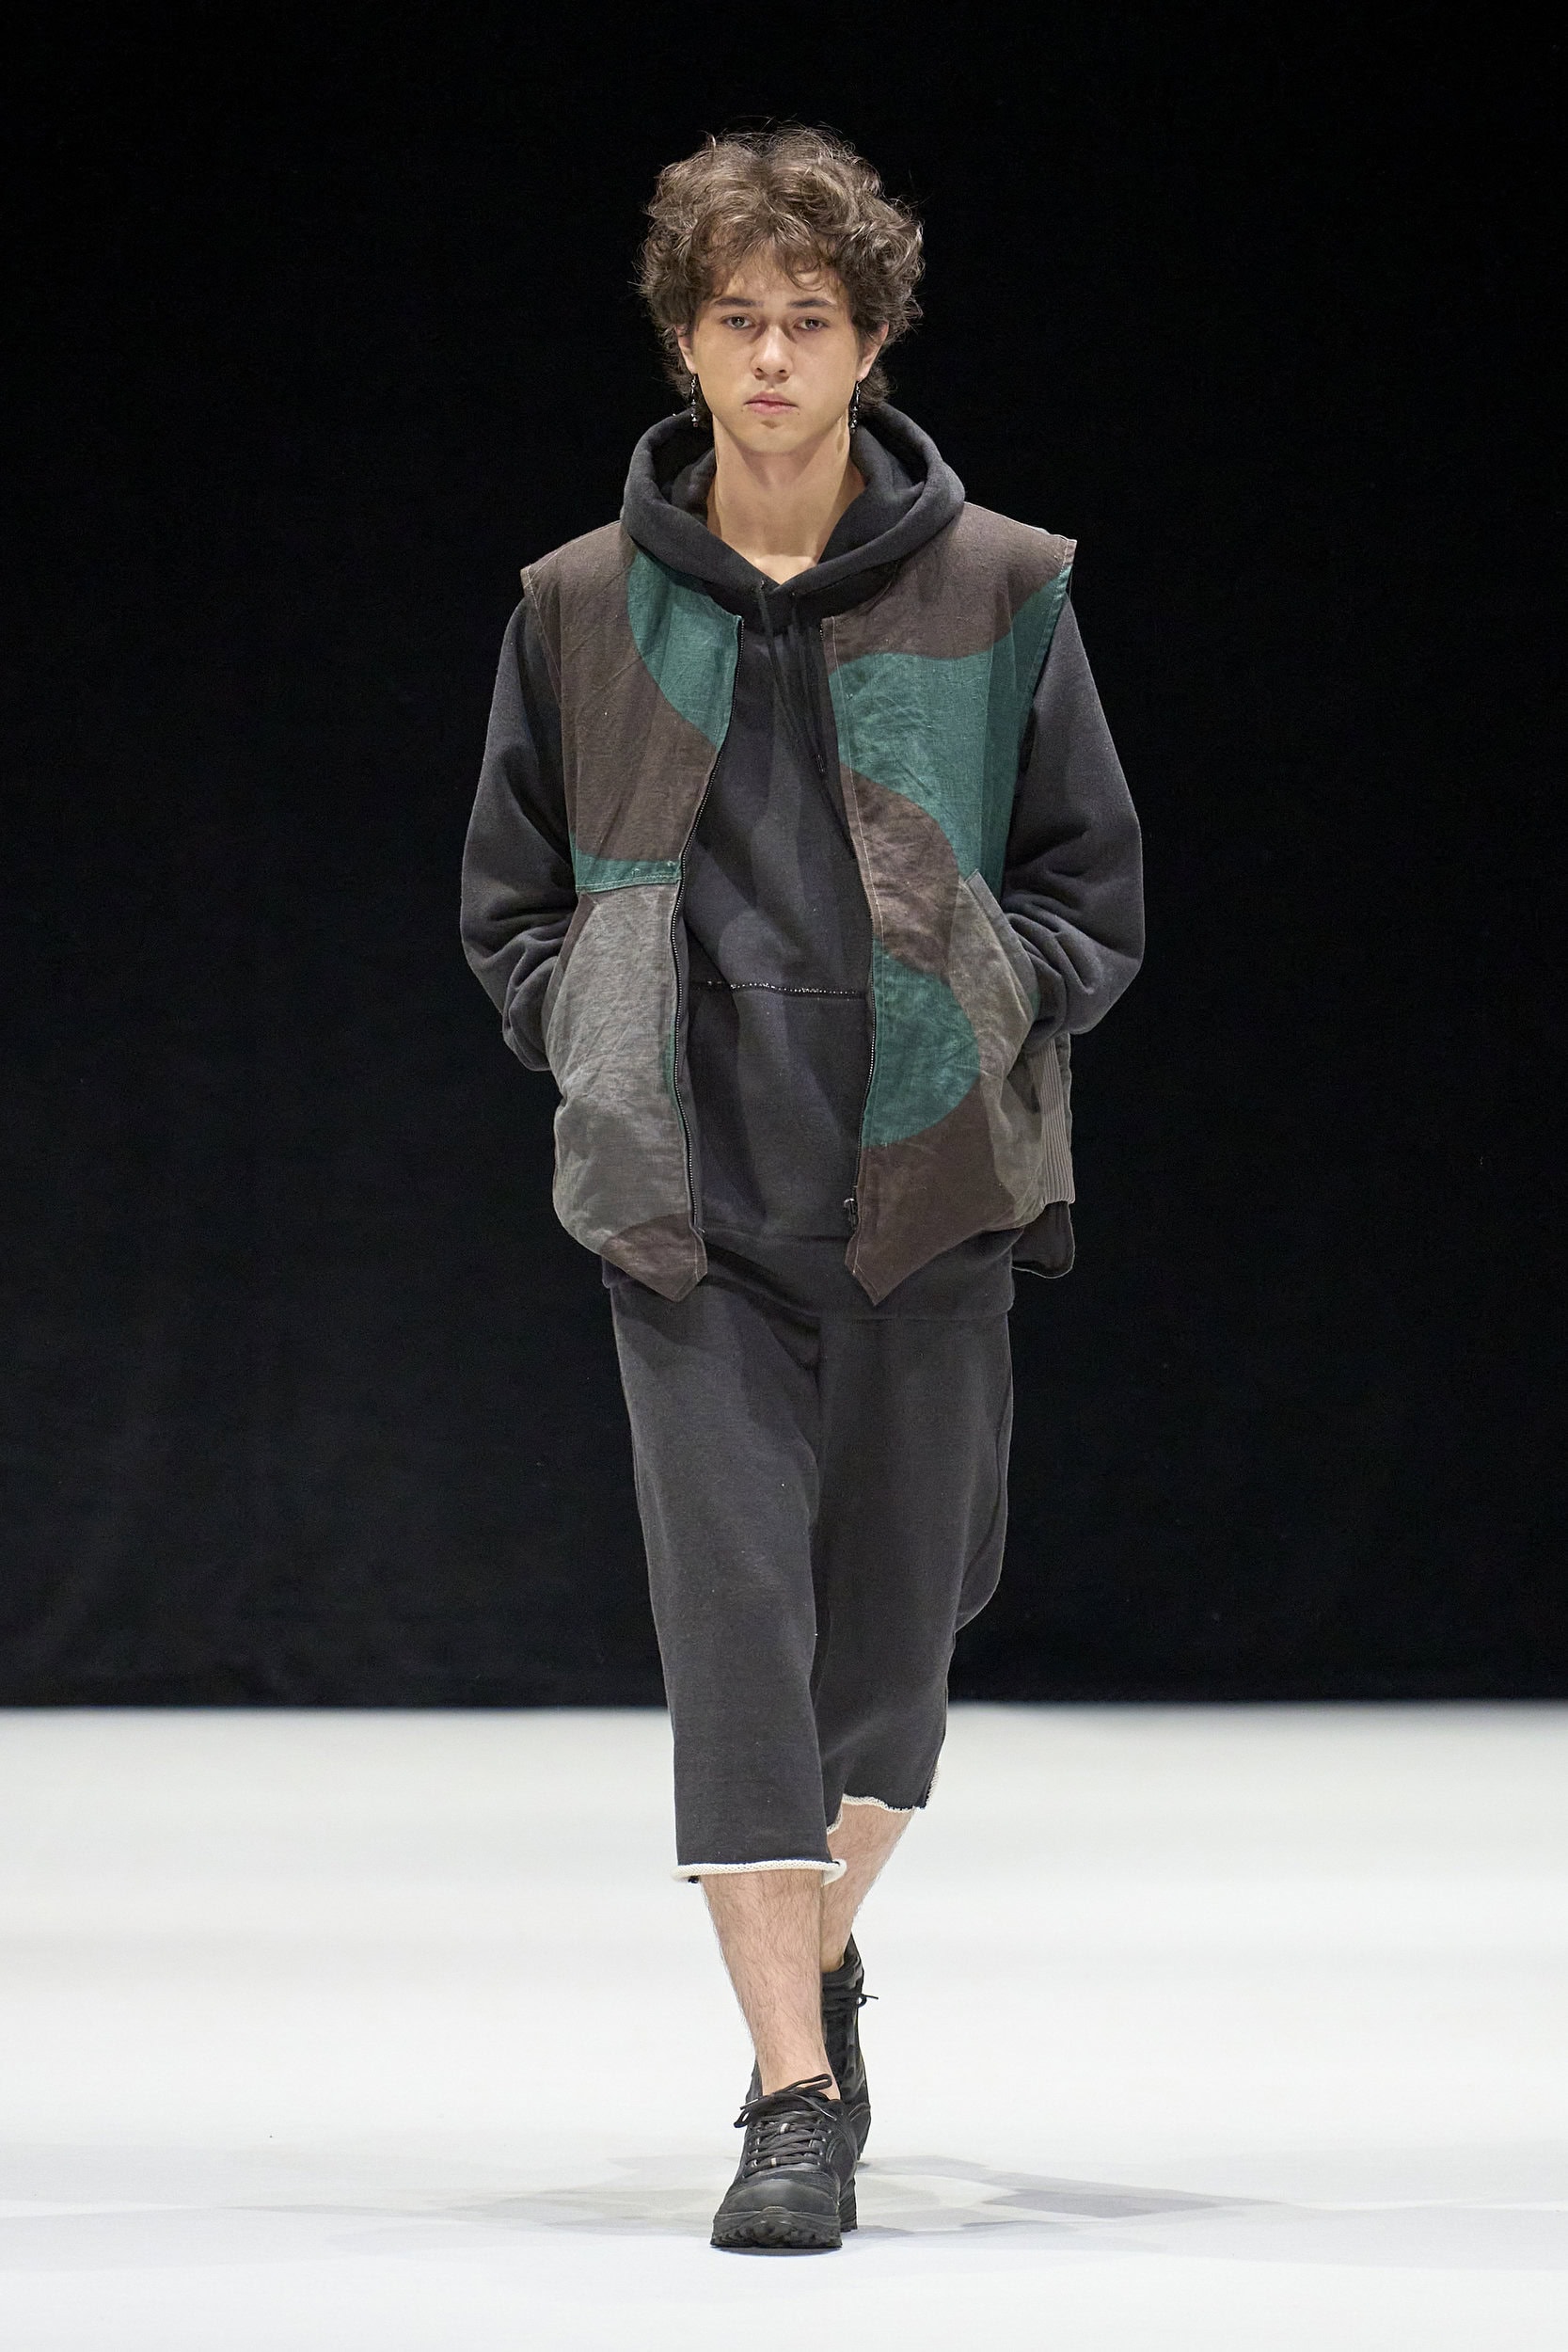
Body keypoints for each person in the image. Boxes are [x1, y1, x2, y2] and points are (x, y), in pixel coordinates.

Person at [460, 123, 1144, 2254]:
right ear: (683, 340)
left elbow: (1093, 889)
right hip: (688, 1216)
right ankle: (790, 2091)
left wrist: (992, 997)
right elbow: (508, 900)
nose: (771, 358)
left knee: (897, 1664)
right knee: (738, 1644)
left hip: (929, 1191)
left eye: (810, 320)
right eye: (736, 319)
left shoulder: (1003, 586)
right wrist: (593, 1030)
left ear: (868, 342)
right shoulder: (580, 604)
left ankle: (817, 1958)